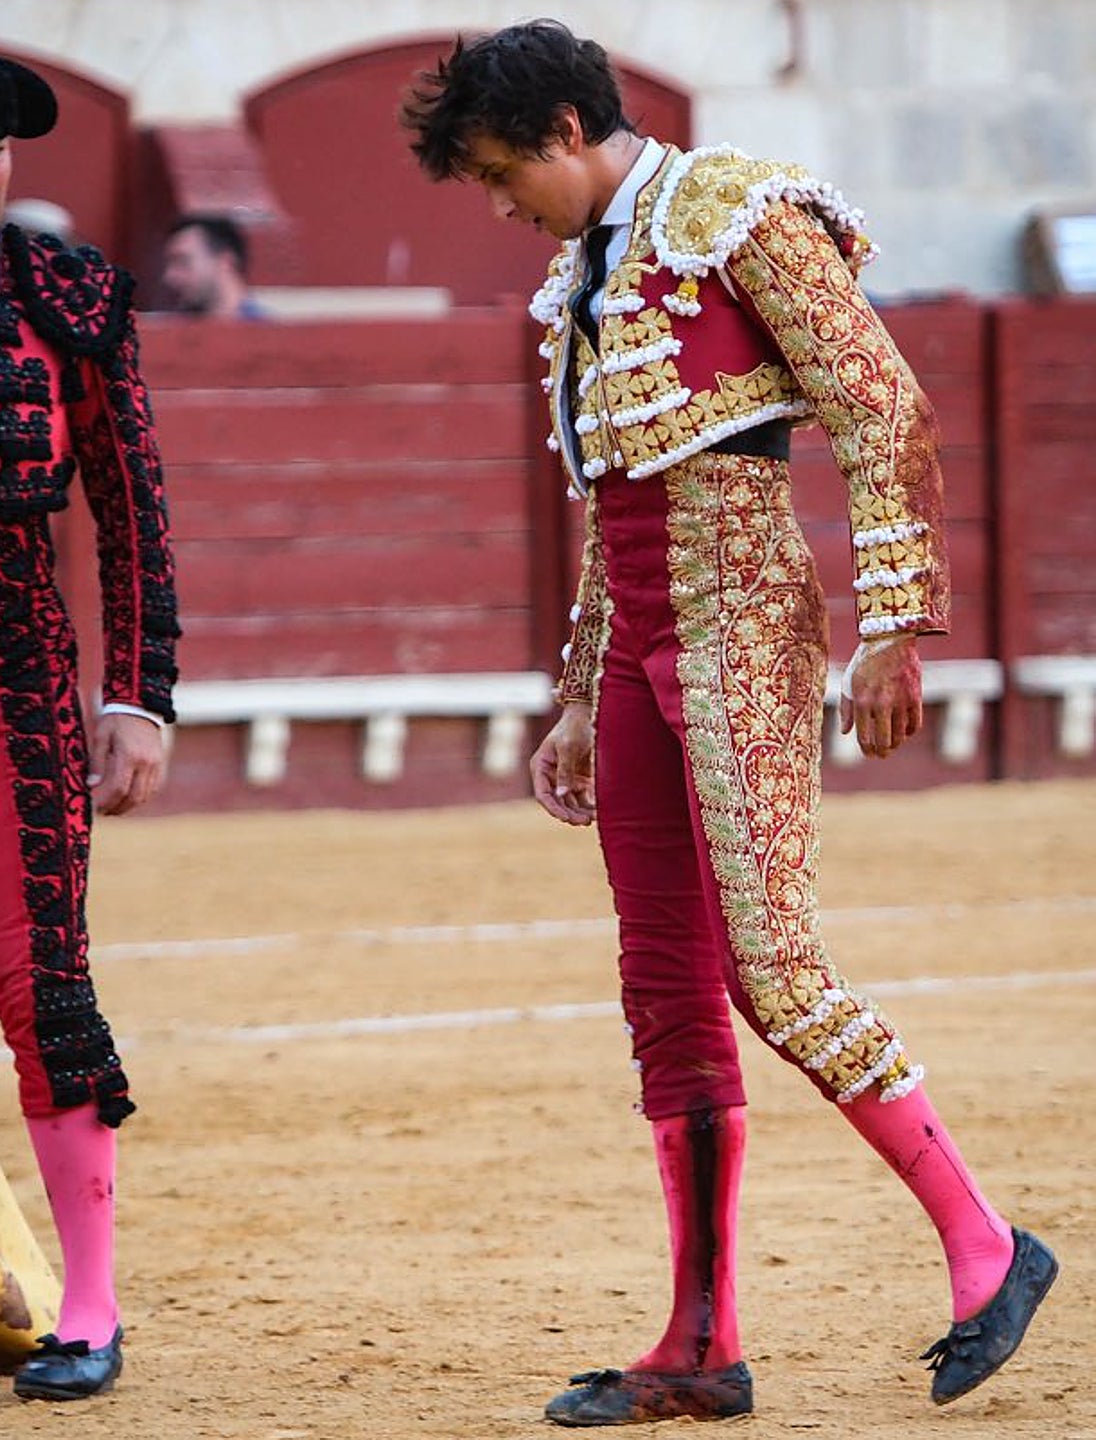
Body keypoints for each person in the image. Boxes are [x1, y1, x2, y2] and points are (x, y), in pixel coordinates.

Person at [401, 21, 1057, 1428]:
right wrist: (579, 694)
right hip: (642, 636)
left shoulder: (737, 209)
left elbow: (883, 407)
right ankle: (700, 1340)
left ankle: (989, 1246)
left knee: (775, 968)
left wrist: (894, 627)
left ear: (572, 129)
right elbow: (613, 507)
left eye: (509, 174)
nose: (506, 207)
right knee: (666, 992)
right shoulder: (584, 270)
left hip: (743, 623)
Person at [0, 47, 179, 1402]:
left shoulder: (70, 299)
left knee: (44, 994)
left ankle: (91, 1306)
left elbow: (133, 517)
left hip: (12, 687)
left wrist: (138, 698)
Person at [159, 212, 263, 317]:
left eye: (181, 261)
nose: (169, 277)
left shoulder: (270, 331)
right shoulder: (164, 329)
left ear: (225, 262)